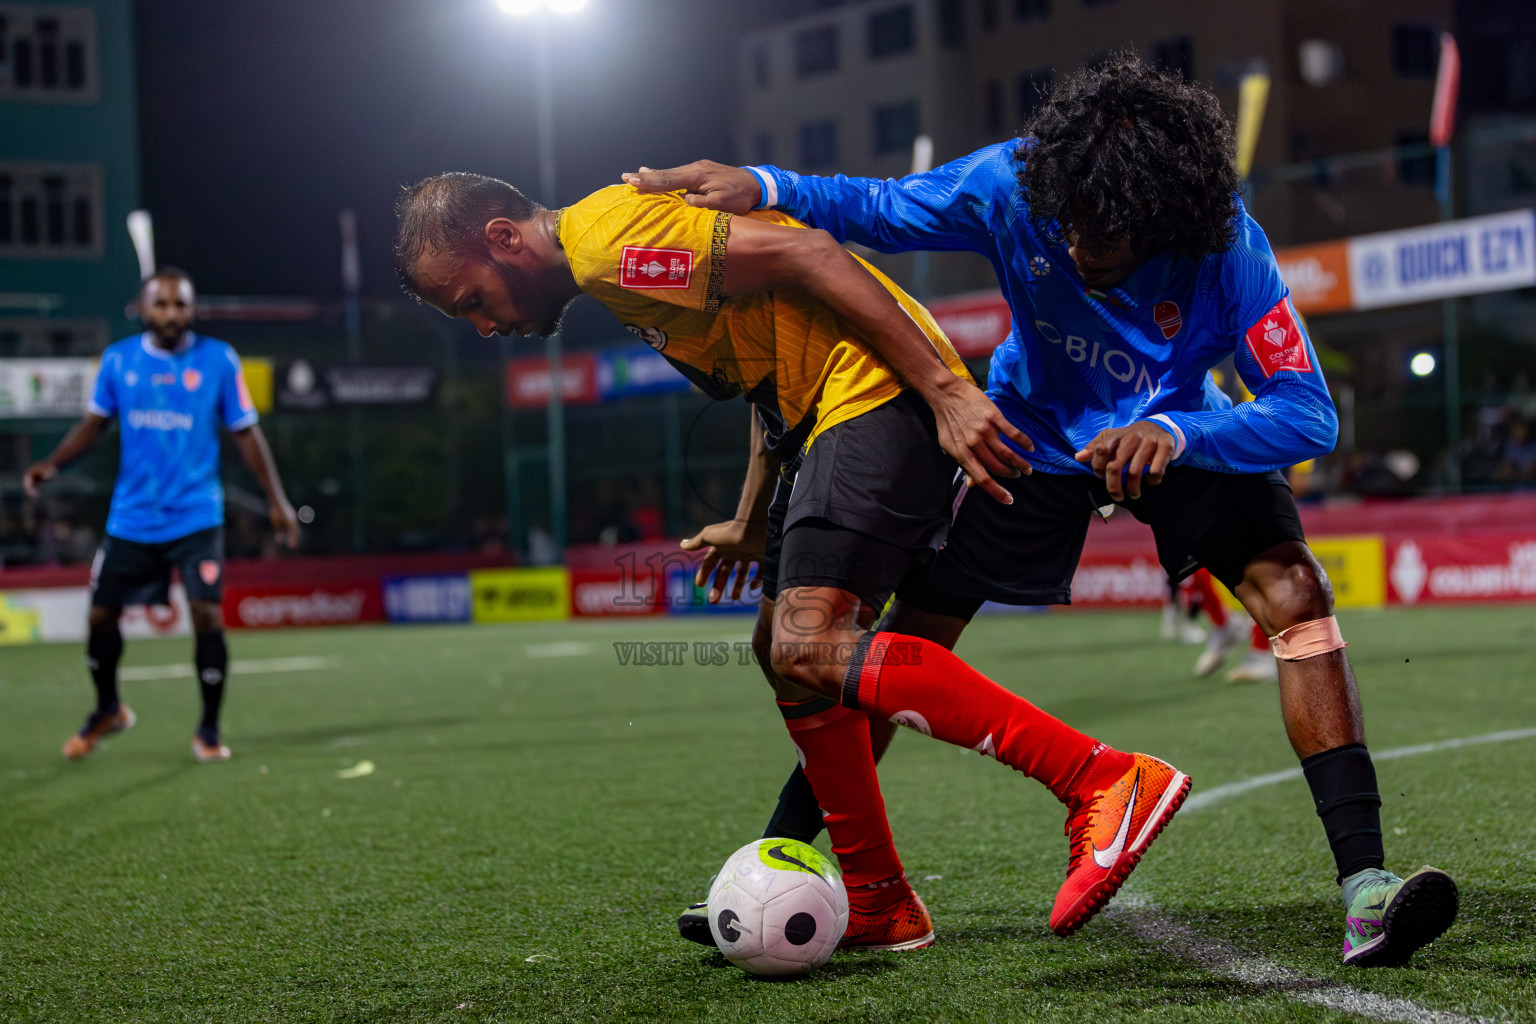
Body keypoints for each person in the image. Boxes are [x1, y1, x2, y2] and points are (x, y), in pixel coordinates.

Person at [625, 53, 1457, 967]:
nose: (1069, 245)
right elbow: (882, 208)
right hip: (1031, 438)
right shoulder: (1014, 185)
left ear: (1161, 221)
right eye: (1061, 222)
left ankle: (1367, 891)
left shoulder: (1231, 253)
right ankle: (781, 864)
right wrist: (765, 183)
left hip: (1179, 435)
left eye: (1097, 234)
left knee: (1297, 592)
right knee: (895, 648)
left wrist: (1178, 435)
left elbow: (1308, 410)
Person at [393, 172, 1190, 950]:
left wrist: (946, 390)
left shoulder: (606, 244)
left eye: (472, 301)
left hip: (871, 399)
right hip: (827, 416)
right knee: (781, 651)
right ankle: (880, 901)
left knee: (810, 643)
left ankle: (1101, 778)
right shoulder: (612, 262)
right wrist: (748, 518)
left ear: (504, 239)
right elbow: (766, 368)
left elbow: (815, 257)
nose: (485, 328)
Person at [25, 268, 299, 763]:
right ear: (143, 308)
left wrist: (277, 502)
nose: (172, 313)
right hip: (132, 519)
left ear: (192, 310)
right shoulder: (118, 360)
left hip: (196, 515)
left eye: (181, 304)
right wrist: (53, 464)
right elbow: (94, 425)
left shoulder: (218, 360)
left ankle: (209, 731)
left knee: (206, 614)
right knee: (101, 617)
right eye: (163, 304)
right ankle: (108, 709)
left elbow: (246, 433)